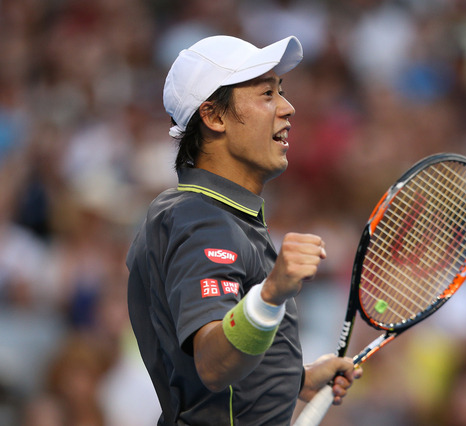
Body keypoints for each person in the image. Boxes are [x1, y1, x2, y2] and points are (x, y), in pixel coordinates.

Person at [126, 34, 361, 425]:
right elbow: (214, 365)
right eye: (267, 94)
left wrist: (292, 380)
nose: (288, 108)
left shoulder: (201, 213)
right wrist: (271, 294)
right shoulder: (202, 221)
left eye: (281, 91)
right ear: (214, 117)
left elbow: (213, 384)